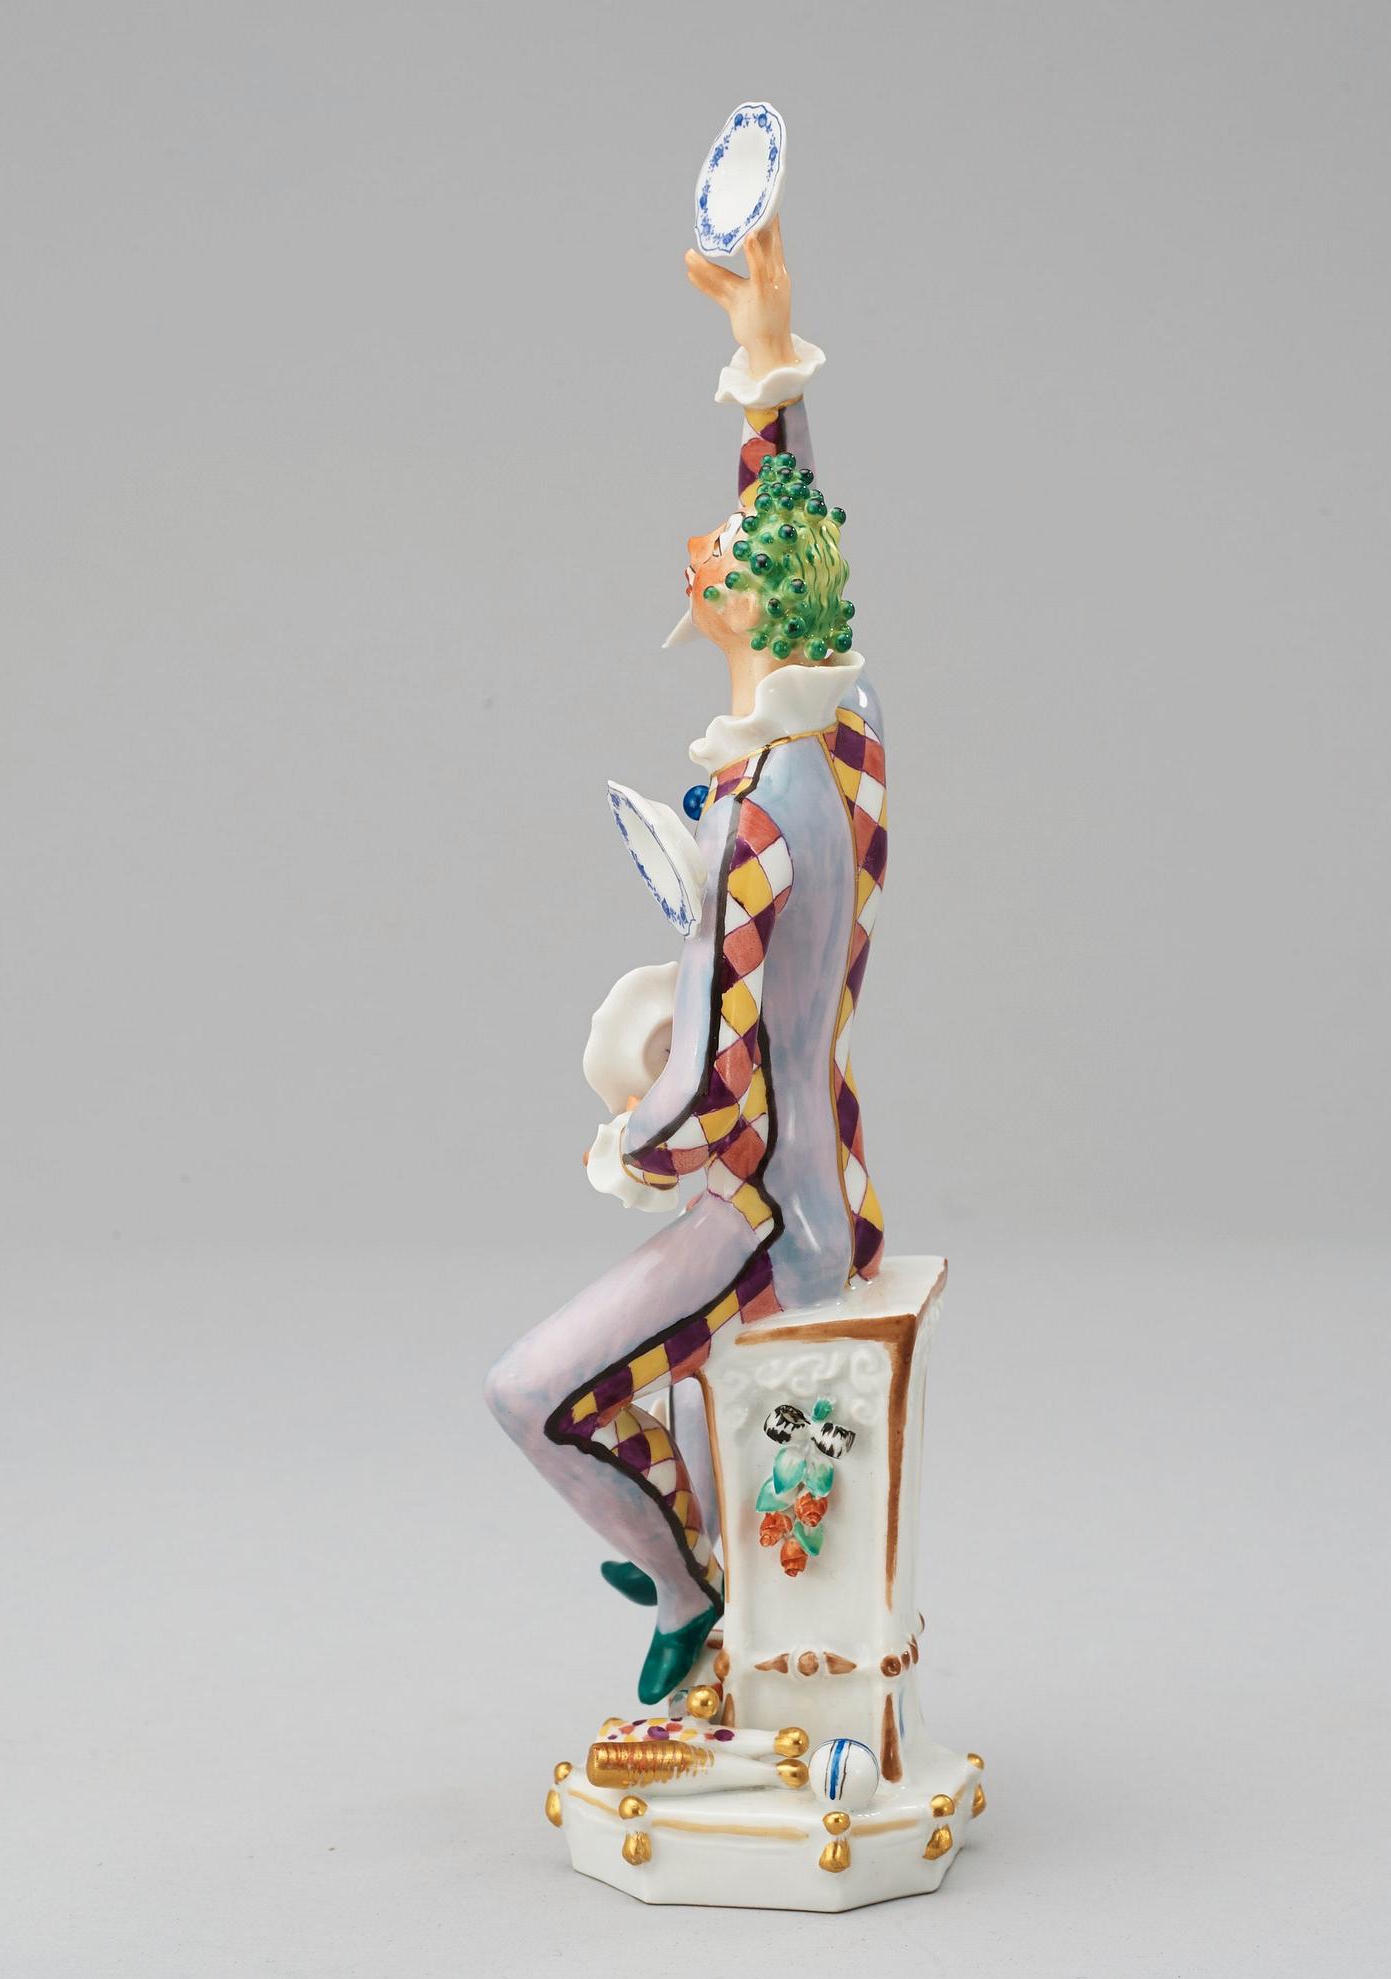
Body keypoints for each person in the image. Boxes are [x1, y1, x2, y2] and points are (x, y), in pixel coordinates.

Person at [484, 219, 891, 1704]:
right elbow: (794, 513)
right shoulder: (844, 745)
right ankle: (693, 1538)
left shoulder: (755, 821)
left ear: (746, 608)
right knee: (594, 1389)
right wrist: (763, 342)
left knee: (533, 1394)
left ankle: (683, 1582)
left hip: (768, 1216)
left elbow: (716, 1088)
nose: (708, 547)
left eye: (721, 559)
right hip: (823, 1183)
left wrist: (625, 1135)